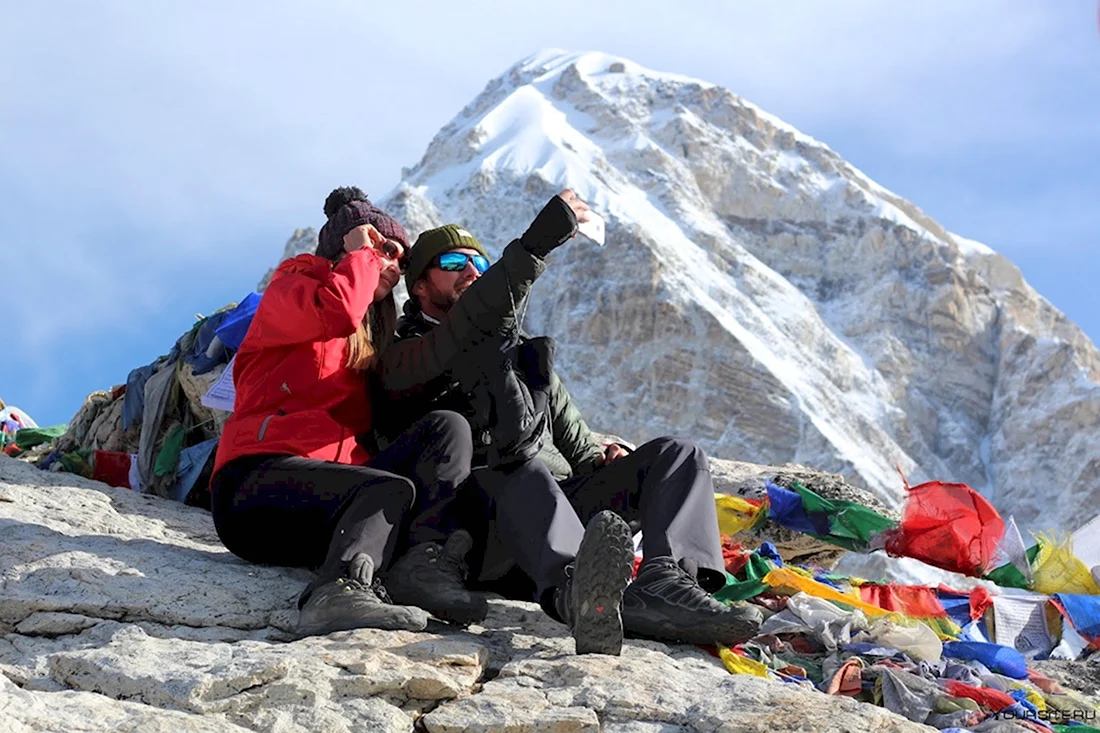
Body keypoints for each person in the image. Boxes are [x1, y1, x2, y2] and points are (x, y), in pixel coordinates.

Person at [388, 218, 764, 654]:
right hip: (482, 527)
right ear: (419, 286)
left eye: (480, 262)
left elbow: (579, 444)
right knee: (516, 467)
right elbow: (457, 339)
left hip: (554, 506)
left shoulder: (524, 358)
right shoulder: (409, 356)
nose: (471, 271)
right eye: (454, 262)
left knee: (676, 455)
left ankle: (667, 583)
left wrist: (607, 462)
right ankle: (579, 592)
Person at [210, 186, 487, 637]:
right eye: (386, 250)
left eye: (400, 258)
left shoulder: (374, 337)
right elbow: (335, 312)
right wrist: (363, 254)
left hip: (331, 498)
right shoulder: (295, 288)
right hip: (255, 483)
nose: (394, 264)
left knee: (446, 428)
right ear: (350, 244)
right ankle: (337, 592)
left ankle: (423, 569)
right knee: (386, 491)